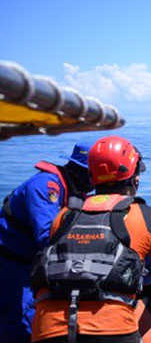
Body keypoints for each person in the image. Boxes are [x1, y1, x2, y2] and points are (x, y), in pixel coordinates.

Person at [30, 136, 151, 343]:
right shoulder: (149, 216)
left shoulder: (63, 216)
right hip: (111, 331)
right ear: (134, 177)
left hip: (47, 331)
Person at [0, 143, 93, 343]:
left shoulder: (74, 191)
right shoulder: (46, 186)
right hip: (11, 263)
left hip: (32, 263)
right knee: (18, 322)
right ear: (80, 171)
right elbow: (46, 236)